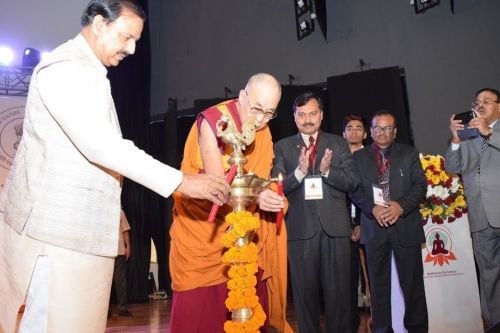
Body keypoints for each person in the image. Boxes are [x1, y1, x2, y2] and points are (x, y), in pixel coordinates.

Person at [0, 1, 230, 332]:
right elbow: (100, 145)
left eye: (137, 41)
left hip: (75, 235)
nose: (132, 48)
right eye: (127, 37)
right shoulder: (65, 68)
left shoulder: (88, 71)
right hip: (55, 234)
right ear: (98, 23)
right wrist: (182, 182)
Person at [169, 73, 292, 333]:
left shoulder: (264, 131)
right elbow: (218, 188)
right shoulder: (214, 122)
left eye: (269, 113)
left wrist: (268, 193)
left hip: (244, 236)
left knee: (247, 310)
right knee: (200, 319)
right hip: (203, 235)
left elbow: (259, 177)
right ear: (242, 95)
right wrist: (257, 194)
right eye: (257, 109)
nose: (260, 120)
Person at [272, 92, 358, 332]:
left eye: (312, 114)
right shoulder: (282, 147)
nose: (307, 119)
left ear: (321, 116)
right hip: (300, 232)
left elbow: (352, 182)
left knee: (339, 298)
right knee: (304, 299)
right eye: (301, 115)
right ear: (294, 117)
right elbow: (275, 187)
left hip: (335, 231)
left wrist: (328, 171)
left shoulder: (338, 143)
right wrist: (298, 173)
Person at [349, 111, 428, 333]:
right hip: (374, 228)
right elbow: (354, 190)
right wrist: (373, 209)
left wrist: (400, 206)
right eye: (376, 128)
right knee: (378, 286)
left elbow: (420, 186)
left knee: (413, 286)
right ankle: (382, 329)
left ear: (395, 131)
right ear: (370, 131)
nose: (381, 132)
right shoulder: (358, 157)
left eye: (387, 128)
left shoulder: (409, 153)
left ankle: (417, 329)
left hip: (405, 226)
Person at [445, 87, 500, 328]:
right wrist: (456, 141)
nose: (481, 105)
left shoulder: (492, 131)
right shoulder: (467, 135)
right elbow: (453, 166)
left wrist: (489, 133)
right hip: (480, 216)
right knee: (489, 275)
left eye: (487, 101)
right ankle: (496, 322)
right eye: (477, 102)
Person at [342, 114, 368, 333]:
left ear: (365, 134)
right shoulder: (336, 159)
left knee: (376, 274)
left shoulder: (372, 158)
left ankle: (380, 318)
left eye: (359, 128)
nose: (354, 132)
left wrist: (361, 222)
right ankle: (351, 322)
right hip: (343, 226)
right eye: (349, 128)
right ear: (343, 134)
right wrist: (348, 225)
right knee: (347, 277)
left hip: (369, 222)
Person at [108, 210, 133, 318]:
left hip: (118, 250)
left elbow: (125, 229)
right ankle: (106, 310)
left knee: (121, 282)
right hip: (104, 252)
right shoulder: (99, 209)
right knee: (105, 283)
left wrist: (128, 246)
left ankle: (122, 309)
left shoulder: (119, 211)